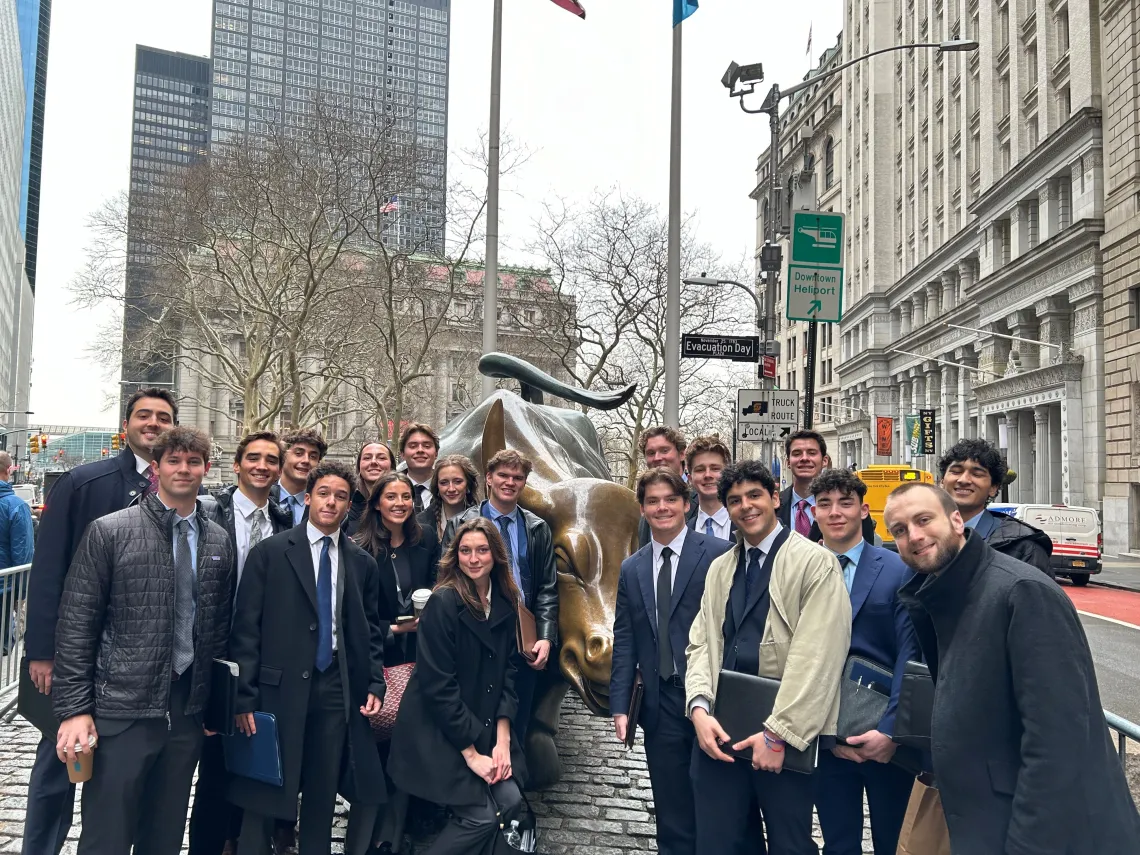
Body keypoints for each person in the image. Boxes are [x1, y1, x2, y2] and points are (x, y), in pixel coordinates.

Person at [884, 483, 1140, 854]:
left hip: (1039, 833)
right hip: (989, 819)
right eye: (900, 530)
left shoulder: (1020, 591)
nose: (914, 536)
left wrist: (1027, 845)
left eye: (924, 520)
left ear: (956, 520)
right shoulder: (947, 593)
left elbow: (1058, 742)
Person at [52, 427, 234, 855]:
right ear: (156, 469)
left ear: (206, 469)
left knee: (165, 834)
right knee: (107, 835)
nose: (183, 469)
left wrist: (213, 702)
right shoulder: (110, 532)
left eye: (193, 462)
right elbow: (77, 625)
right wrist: (75, 710)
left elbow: (217, 632)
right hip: (122, 708)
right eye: (174, 461)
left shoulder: (219, 541)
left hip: (186, 709)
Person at [22, 387, 176, 855]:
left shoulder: (180, 492)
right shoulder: (82, 482)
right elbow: (48, 570)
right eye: (144, 416)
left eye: (163, 417)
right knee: (59, 764)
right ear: (125, 425)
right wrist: (42, 652)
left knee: (115, 777)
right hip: (75, 652)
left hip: (135, 662)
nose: (153, 423)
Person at [685, 460, 851, 855]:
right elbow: (701, 643)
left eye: (754, 495)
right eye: (735, 500)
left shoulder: (815, 562)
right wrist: (699, 709)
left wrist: (779, 734)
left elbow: (819, 657)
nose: (746, 506)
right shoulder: (720, 568)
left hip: (784, 738)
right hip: (720, 734)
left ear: (775, 497)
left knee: (788, 845)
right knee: (718, 843)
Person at [229, 460, 387, 855]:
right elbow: (246, 630)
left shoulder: (361, 563)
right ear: (308, 497)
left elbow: (368, 631)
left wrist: (373, 682)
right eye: (323, 494)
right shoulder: (271, 553)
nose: (331, 503)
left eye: (340, 497)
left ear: (349, 505)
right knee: (266, 788)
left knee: (322, 787)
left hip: (335, 687)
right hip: (276, 688)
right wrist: (244, 695)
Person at [387, 518, 527, 855]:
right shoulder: (444, 602)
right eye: (466, 551)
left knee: (510, 801)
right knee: (480, 817)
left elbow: (510, 673)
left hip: (487, 725)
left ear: (496, 555)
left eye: (482, 550)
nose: (474, 559)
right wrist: (472, 754)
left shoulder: (506, 603)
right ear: (456, 555)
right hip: (440, 731)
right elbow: (438, 687)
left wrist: (503, 740)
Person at [610, 468, 732, 855]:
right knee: (670, 807)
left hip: (713, 700)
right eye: (652, 501)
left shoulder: (717, 555)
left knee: (716, 802)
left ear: (686, 503)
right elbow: (626, 637)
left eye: (669, 500)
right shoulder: (632, 567)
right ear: (642, 509)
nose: (662, 508)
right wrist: (619, 705)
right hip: (659, 704)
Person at [190, 431, 293, 855]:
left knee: (251, 761)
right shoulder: (209, 513)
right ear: (237, 464)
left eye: (272, 459)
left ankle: (240, 841)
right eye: (254, 458)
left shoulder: (285, 522)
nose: (263, 466)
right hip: (211, 654)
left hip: (258, 656)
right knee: (212, 766)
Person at [810, 470, 920, 855]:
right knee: (838, 843)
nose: (835, 512)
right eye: (825, 504)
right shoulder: (802, 569)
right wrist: (822, 735)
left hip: (884, 741)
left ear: (863, 509)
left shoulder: (897, 570)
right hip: (825, 740)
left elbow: (911, 656)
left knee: (893, 842)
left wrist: (890, 732)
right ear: (814, 512)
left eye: (845, 502)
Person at [444, 450, 556, 739]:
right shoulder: (461, 523)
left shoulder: (537, 528)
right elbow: (446, 580)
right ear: (489, 479)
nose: (510, 482)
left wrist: (545, 635)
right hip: (474, 630)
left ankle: (512, 776)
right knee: (474, 713)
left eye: (517, 477)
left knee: (516, 717)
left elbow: (546, 587)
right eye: (503, 475)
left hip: (520, 636)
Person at [355, 472, 439, 667]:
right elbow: (358, 610)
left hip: (423, 648)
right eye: (391, 497)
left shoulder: (426, 536)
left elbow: (437, 582)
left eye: (406, 496)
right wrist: (396, 629)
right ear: (377, 504)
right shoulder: (361, 549)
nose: (400, 503)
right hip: (379, 653)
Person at [937, 437, 1053, 578]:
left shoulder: (1024, 547)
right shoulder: (915, 535)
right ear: (942, 482)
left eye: (977, 474)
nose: (963, 480)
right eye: (955, 471)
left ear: (993, 488)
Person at [779, 430, 875, 544]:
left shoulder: (853, 510)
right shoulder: (773, 506)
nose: (804, 458)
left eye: (812, 453)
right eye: (797, 453)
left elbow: (866, 554)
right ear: (788, 462)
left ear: (824, 461)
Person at [637, 426, 696, 548]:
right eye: (651, 453)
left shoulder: (703, 499)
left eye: (664, 450)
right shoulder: (646, 507)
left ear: (681, 454)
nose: (657, 458)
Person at [0, 450, 34, 651]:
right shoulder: (16, 506)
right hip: (4, 587)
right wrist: (21, 592)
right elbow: (23, 553)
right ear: (8, 470)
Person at [684, 435, 735, 542]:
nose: (708, 475)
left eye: (715, 469)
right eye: (700, 469)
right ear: (690, 478)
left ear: (728, 474)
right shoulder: (683, 532)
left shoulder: (746, 525)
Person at [419, 454, 479, 542]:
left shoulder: (483, 516)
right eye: (444, 483)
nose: (451, 489)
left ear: (468, 485)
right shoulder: (421, 524)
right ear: (437, 487)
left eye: (458, 482)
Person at [273, 428, 327, 527]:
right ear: (283, 457)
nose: (306, 460)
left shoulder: (324, 505)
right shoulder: (264, 496)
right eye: (298, 453)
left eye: (313, 457)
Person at [345, 441, 395, 537]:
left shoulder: (403, 502)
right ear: (359, 466)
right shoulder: (346, 501)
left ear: (392, 466)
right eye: (367, 458)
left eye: (381, 458)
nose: (373, 462)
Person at [399, 424, 439, 514]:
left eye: (427, 446)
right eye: (413, 446)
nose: (420, 450)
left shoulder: (449, 489)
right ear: (402, 454)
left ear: (436, 453)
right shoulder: (389, 489)